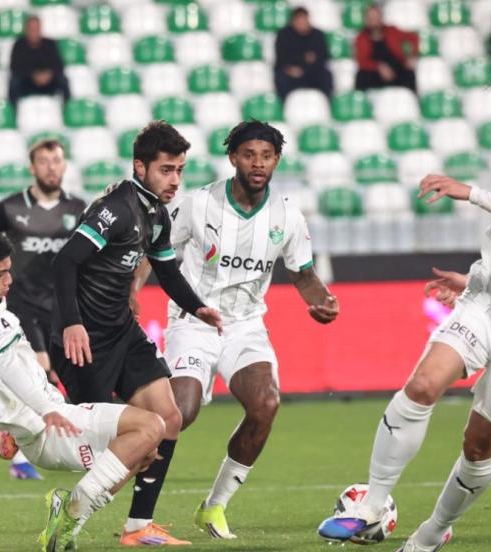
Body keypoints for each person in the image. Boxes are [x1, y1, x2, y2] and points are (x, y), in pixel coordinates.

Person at [317, 61, 491, 551]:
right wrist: (472, 279)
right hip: (487, 303)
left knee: (479, 444)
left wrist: (473, 194)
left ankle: (431, 533)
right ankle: (372, 505)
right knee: (424, 384)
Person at [131, 120, 339, 539]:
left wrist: (322, 299)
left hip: (245, 326)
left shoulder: (287, 215)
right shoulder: (198, 204)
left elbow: (302, 273)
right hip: (193, 322)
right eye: (249, 155)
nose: (258, 163)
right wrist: (133, 290)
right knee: (180, 412)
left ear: (276, 160)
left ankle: (214, 506)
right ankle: (129, 483)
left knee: (266, 403)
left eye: (266, 156)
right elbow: (155, 251)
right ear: (233, 158)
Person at [0, 228, 165, 552]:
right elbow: (10, 365)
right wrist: (48, 409)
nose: (9, 280)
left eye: (9, 270)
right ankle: (70, 512)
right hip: (44, 425)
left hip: (20, 422)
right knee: (152, 426)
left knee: (145, 451)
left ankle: (67, 519)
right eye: (0, 273)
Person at [50, 121, 223, 546]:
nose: (175, 180)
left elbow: (166, 269)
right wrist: (72, 323)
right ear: (140, 167)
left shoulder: (157, 215)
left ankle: (137, 525)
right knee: (110, 447)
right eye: (166, 170)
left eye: (180, 170)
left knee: (169, 418)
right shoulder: (117, 209)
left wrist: (197, 306)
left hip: (122, 332)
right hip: (86, 340)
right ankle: (67, 505)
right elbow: (65, 262)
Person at [0, 139, 86, 480]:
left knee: (57, 376)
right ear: (32, 167)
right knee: (39, 368)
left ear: (64, 166)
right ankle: (21, 454)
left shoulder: (78, 207)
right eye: (44, 161)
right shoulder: (8, 208)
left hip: (61, 305)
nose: (51, 167)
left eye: (57, 160)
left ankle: (22, 437)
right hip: (21, 302)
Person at [273, 7, 334, 101]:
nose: (302, 23)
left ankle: (325, 103)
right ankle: (286, 105)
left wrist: (304, 68)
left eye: (304, 20)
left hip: (312, 72)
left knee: (326, 76)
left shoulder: (318, 35)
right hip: (291, 73)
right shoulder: (283, 35)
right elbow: (282, 58)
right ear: (293, 21)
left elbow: (323, 58)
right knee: (281, 77)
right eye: (299, 21)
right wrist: (298, 64)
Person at [354, 4, 418, 92]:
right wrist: (379, 67)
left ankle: (410, 97)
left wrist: (411, 56)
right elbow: (362, 61)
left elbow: (413, 37)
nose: (373, 20)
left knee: (409, 72)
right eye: (370, 18)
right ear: (366, 20)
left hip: (395, 69)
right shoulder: (361, 38)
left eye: (375, 17)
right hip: (375, 71)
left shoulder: (392, 31)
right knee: (362, 76)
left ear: (381, 18)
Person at [8, 15, 70, 107]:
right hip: (27, 82)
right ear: (26, 30)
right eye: (31, 29)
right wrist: (33, 75)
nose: (34, 32)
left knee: (63, 79)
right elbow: (15, 66)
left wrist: (48, 74)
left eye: (36, 29)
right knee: (14, 82)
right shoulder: (19, 45)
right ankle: (13, 111)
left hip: (48, 82)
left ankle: (67, 108)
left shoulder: (50, 44)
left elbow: (58, 65)